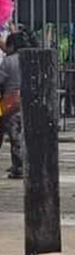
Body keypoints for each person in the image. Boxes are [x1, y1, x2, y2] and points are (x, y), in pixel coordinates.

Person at [0, 33, 25, 179]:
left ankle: (18, 168)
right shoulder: (30, 59)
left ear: (12, 46)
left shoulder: (8, 61)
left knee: (12, 134)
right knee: (21, 135)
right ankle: (20, 165)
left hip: (9, 102)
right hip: (27, 101)